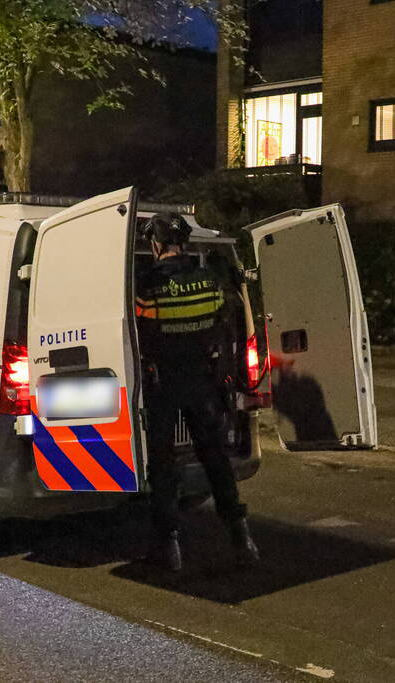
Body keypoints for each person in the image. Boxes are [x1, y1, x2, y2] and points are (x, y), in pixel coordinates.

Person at [135, 212, 259, 572]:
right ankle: (242, 539)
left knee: (163, 464)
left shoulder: (150, 284)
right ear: (184, 243)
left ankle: (168, 548)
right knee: (215, 458)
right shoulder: (208, 279)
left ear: (156, 244)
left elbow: (143, 334)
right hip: (202, 380)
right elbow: (222, 327)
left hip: (165, 382)